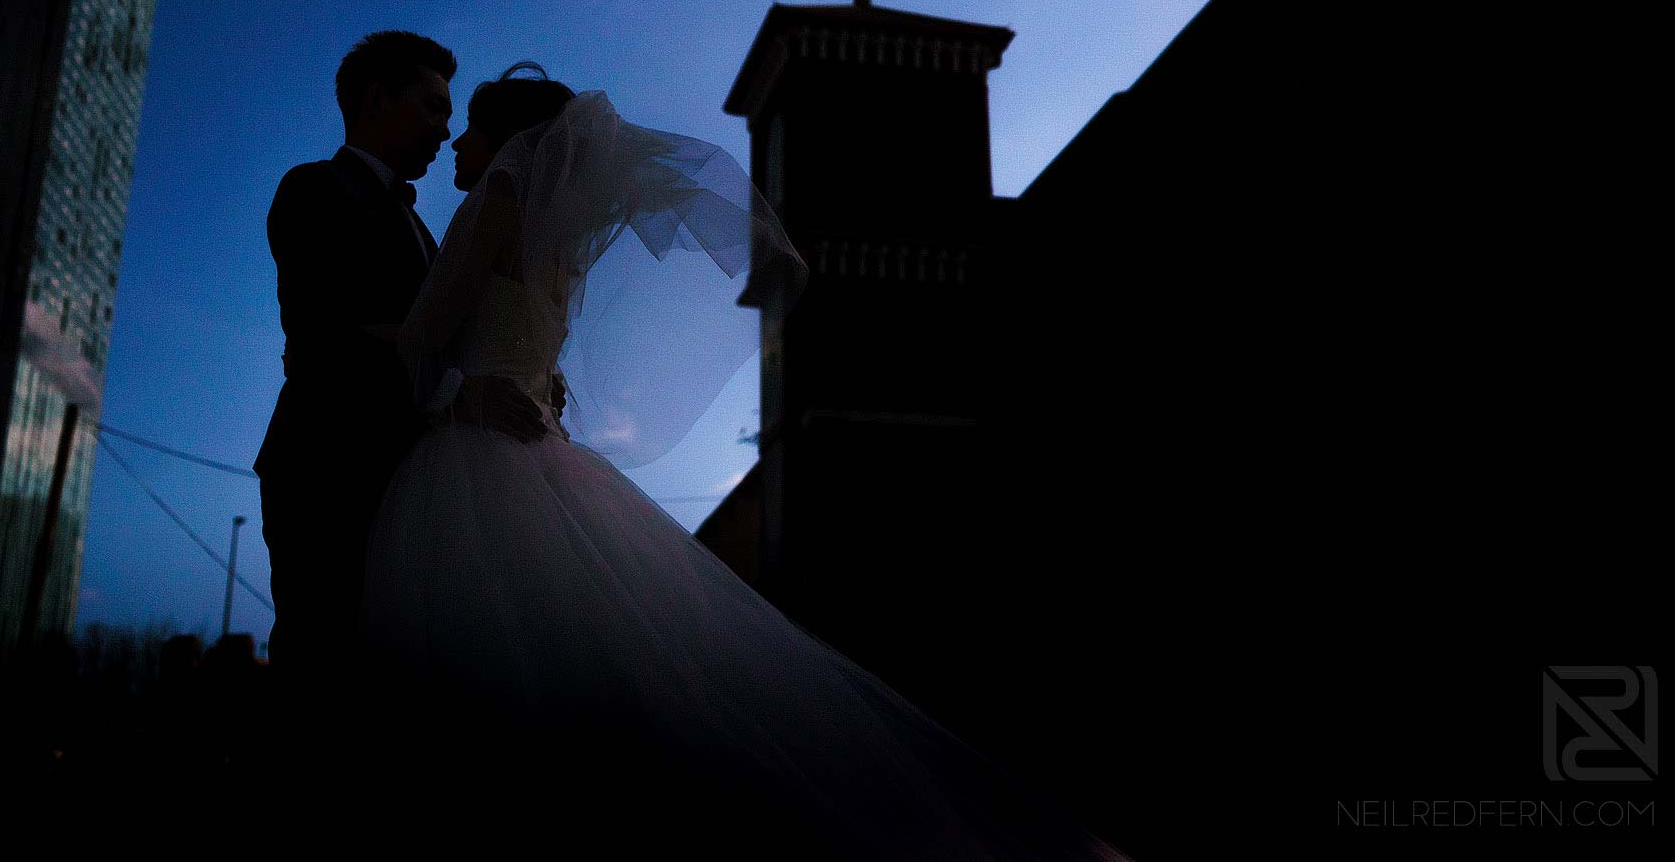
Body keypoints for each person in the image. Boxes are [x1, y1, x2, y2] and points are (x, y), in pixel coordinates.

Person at [365, 64, 1119, 860]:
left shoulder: (504, 201)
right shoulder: (566, 242)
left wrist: (453, 394)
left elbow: (423, 340)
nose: (458, 138)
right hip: (542, 457)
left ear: (516, 140)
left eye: (473, 125)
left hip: (481, 458)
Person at [255, 32, 552, 705]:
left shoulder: (427, 232)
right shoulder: (313, 188)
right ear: (375, 98)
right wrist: (457, 388)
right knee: (325, 670)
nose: (445, 130)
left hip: (409, 487)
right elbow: (323, 337)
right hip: (327, 471)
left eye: (452, 117)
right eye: (431, 107)